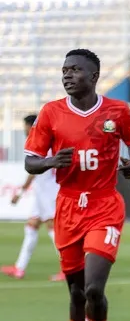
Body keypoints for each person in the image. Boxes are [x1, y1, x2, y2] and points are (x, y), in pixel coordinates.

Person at [23, 49, 130, 321]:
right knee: (76, 294)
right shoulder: (50, 113)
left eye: (75, 70)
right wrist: (48, 162)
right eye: (64, 70)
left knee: (93, 288)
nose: (67, 75)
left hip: (104, 205)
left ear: (94, 76)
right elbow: (31, 163)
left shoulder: (116, 111)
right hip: (68, 208)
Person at [2, 114, 64, 281]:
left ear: (31, 126)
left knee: (53, 229)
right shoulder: (48, 140)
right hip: (42, 191)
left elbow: (34, 171)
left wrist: (21, 193)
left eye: (26, 126)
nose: (24, 130)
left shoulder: (41, 141)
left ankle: (68, 268)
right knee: (31, 227)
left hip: (48, 191)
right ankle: (19, 268)